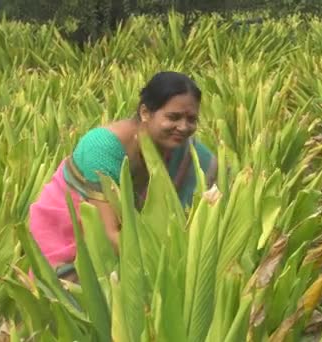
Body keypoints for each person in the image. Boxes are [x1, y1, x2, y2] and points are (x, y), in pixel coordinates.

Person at [28, 71, 218, 280]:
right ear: (145, 112)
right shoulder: (102, 147)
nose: (183, 127)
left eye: (191, 119)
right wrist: (161, 271)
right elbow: (109, 234)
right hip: (71, 238)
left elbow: (222, 187)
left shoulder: (183, 150)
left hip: (135, 250)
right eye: (173, 117)